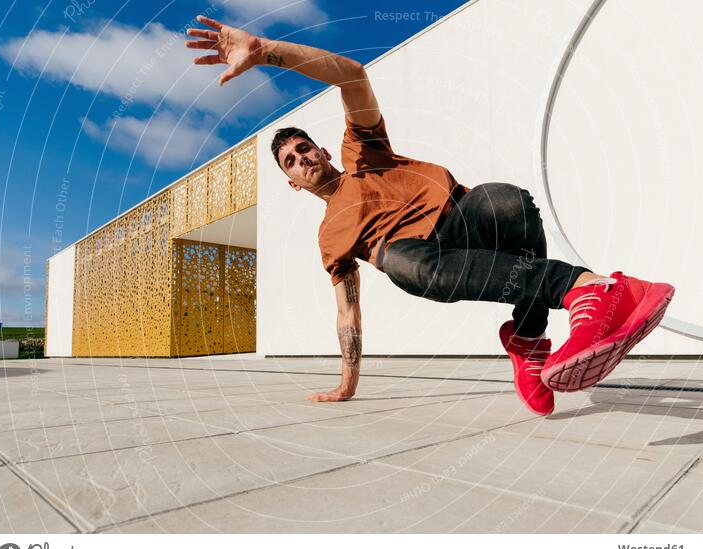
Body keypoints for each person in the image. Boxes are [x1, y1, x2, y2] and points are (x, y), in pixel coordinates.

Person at [186, 15, 675, 414]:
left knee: (508, 200)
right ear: (292, 182)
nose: (303, 158)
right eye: (291, 161)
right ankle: (590, 295)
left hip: (460, 215)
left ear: (323, 152)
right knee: (403, 262)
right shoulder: (330, 237)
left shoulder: (362, 151)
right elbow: (347, 312)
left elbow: (353, 75)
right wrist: (347, 385)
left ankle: (535, 335)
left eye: (304, 148)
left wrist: (267, 50)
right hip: (421, 257)